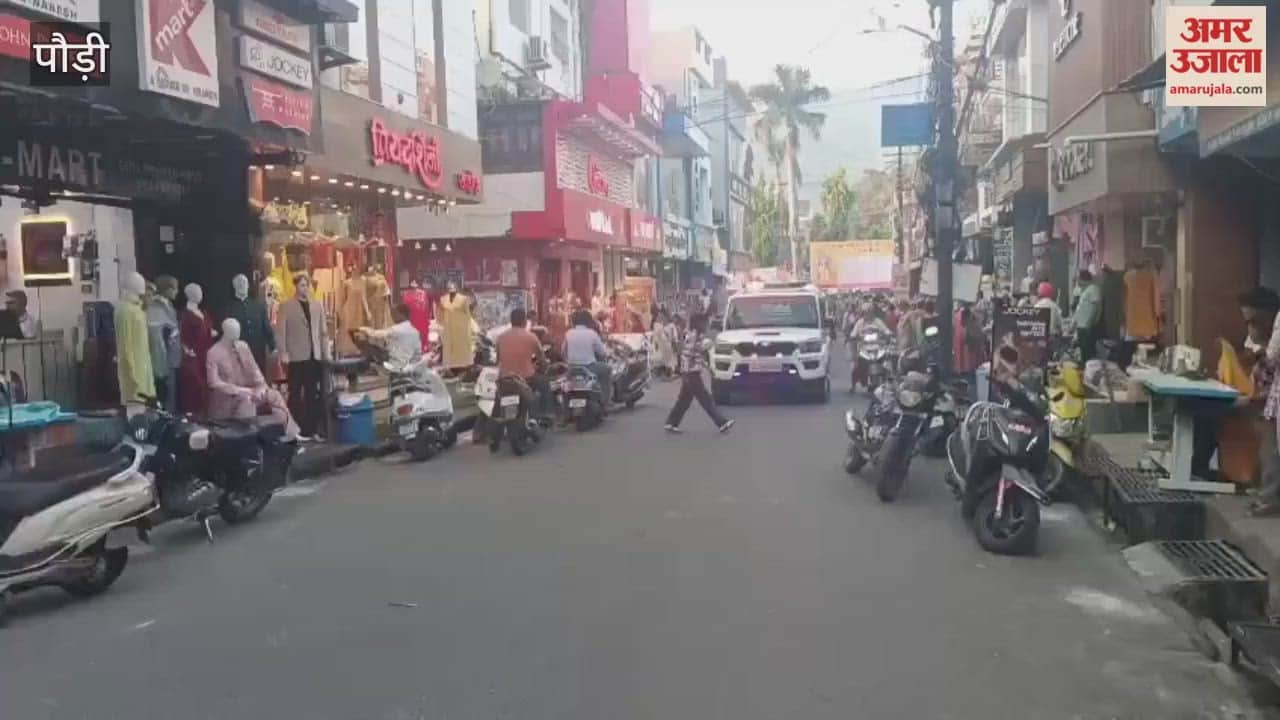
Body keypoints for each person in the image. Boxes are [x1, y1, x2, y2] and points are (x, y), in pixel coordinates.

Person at [206, 318, 300, 440]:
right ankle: (250, 442)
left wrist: (262, 387)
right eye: (234, 331)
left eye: (238, 331)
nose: (237, 334)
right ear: (225, 331)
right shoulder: (214, 352)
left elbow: (254, 370)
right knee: (247, 401)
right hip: (229, 398)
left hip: (251, 390)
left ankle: (290, 434)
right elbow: (213, 382)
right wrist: (240, 391)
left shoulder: (243, 346)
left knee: (274, 395)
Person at [665, 313, 733, 434]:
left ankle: (671, 423)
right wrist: (707, 345)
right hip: (691, 373)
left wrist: (708, 367)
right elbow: (693, 351)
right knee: (705, 399)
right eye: (705, 323)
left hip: (688, 372)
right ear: (699, 323)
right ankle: (722, 423)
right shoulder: (695, 336)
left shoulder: (691, 334)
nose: (707, 325)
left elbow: (697, 356)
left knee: (684, 400)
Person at [495, 308, 550, 419]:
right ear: (524, 321)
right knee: (545, 383)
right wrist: (543, 366)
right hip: (526, 378)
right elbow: (542, 359)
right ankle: (546, 414)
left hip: (505, 379)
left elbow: (498, 359)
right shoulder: (531, 337)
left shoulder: (500, 337)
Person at [564, 309, 614, 405]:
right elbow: (602, 352)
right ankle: (605, 400)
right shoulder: (592, 333)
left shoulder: (568, 333)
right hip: (589, 367)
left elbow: (563, 351)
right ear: (588, 321)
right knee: (607, 369)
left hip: (572, 368)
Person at [360, 303, 423, 367]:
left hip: (396, 363)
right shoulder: (415, 331)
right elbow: (418, 352)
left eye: (395, 315)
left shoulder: (396, 329)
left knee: (367, 346)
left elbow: (375, 334)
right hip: (410, 364)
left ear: (401, 315)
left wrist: (363, 329)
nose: (393, 317)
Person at [1073, 270, 1103, 362]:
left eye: (1078, 278)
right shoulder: (1085, 290)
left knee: (1088, 353)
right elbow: (1080, 309)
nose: (1077, 281)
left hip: (1087, 326)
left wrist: (1091, 322)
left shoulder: (1093, 289)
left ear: (1083, 279)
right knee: (1083, 353)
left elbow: (1096, 307)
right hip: (1082, 326)